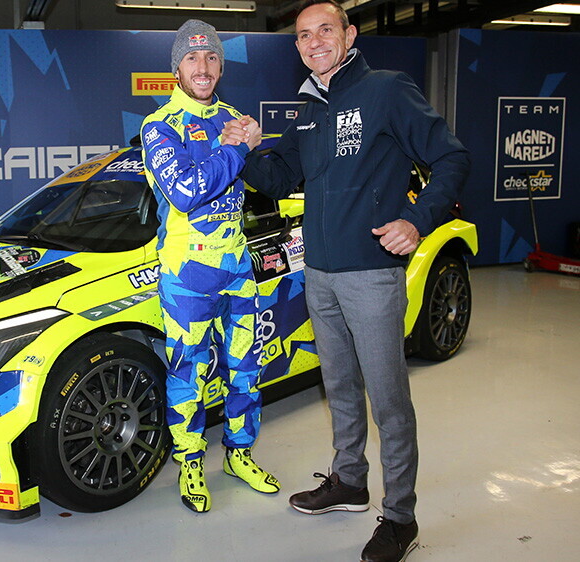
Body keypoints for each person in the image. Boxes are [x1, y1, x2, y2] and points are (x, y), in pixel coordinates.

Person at [223, 0, 469, 559]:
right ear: (297, 47)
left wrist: (417, 220)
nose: (314, 42)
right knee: (338, 388)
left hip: (372, 275)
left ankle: (400, 517)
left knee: (388, 401)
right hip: (321, 275)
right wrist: (248, 148)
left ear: (349, 34)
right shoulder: (308, 109)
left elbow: (451, 157)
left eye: (325, 30)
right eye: (303, 35)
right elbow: (278, 177)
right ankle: (350, 482)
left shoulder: (385, 89)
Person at [140, 18, 277, 514]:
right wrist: (238, 146)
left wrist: (253, 144)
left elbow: (260, 179)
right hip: (187, 274)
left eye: (212, 57)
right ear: (176, 68)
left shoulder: (235, 117)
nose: (203, 67)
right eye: (192, 58)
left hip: (237, 265)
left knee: (247, 367)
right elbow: (186, 191)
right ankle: (191, 462)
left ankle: (240, 455)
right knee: (189, 374)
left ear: (221, 66)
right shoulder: (159, 126)